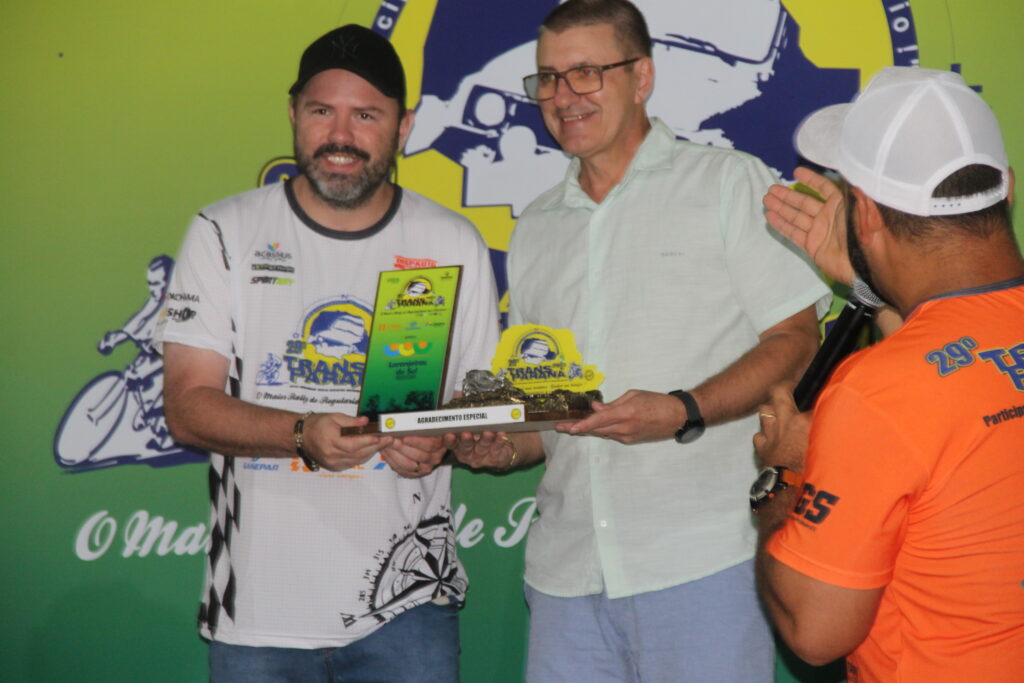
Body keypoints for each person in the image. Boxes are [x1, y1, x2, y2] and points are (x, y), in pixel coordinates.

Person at [445, 1, 830, 680]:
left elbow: (798, 341)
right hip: (565, 578)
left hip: (702, 562)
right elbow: (551, 413)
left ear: (642, 77)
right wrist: (505, 445)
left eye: (586, 73)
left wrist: (683, 409)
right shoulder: (535, 228)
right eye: (548, 79)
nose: (563, 96)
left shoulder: (725, 183)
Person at [156, 24, 499, 682]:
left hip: (408, 609)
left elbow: (478, 408)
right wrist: (300, 433)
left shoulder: (451, 241)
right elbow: (187, 406)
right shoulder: (225, 231)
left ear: (404, 126)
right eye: (322, 111)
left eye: (365, 115)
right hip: (258, 614)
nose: (340, 136)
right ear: (293, 114)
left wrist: (444, 440)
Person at [752, 66, 1024, 681]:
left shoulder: (876, 392)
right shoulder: (900, 387)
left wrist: (782, 478)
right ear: (1006, 188)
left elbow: (814, 630)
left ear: (868, 215)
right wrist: (872, 289)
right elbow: (960, 374)